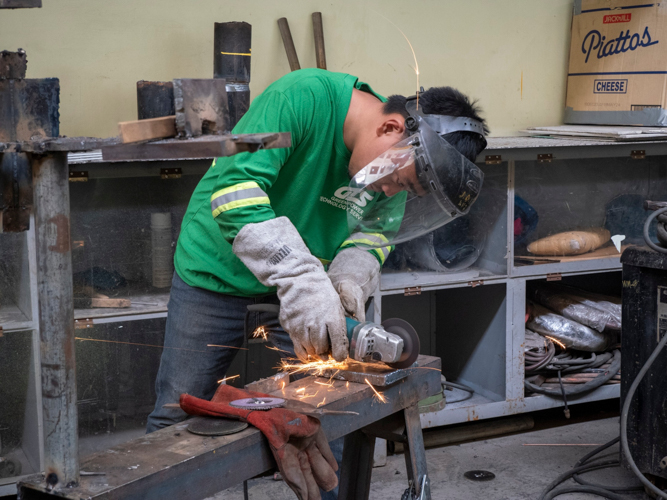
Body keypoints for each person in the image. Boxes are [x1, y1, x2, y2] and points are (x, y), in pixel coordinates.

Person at [146, 67, 487, 497]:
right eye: (398, 181)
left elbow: (375, 232)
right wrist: (300, 278)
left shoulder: (400, 162)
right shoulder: (302, 99)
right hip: (215, 272)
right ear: (390, 127)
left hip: (310, 293)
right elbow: (235, 187)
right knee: (175, 419)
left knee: (326, 421)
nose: (390, 192)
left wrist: (347, 278)